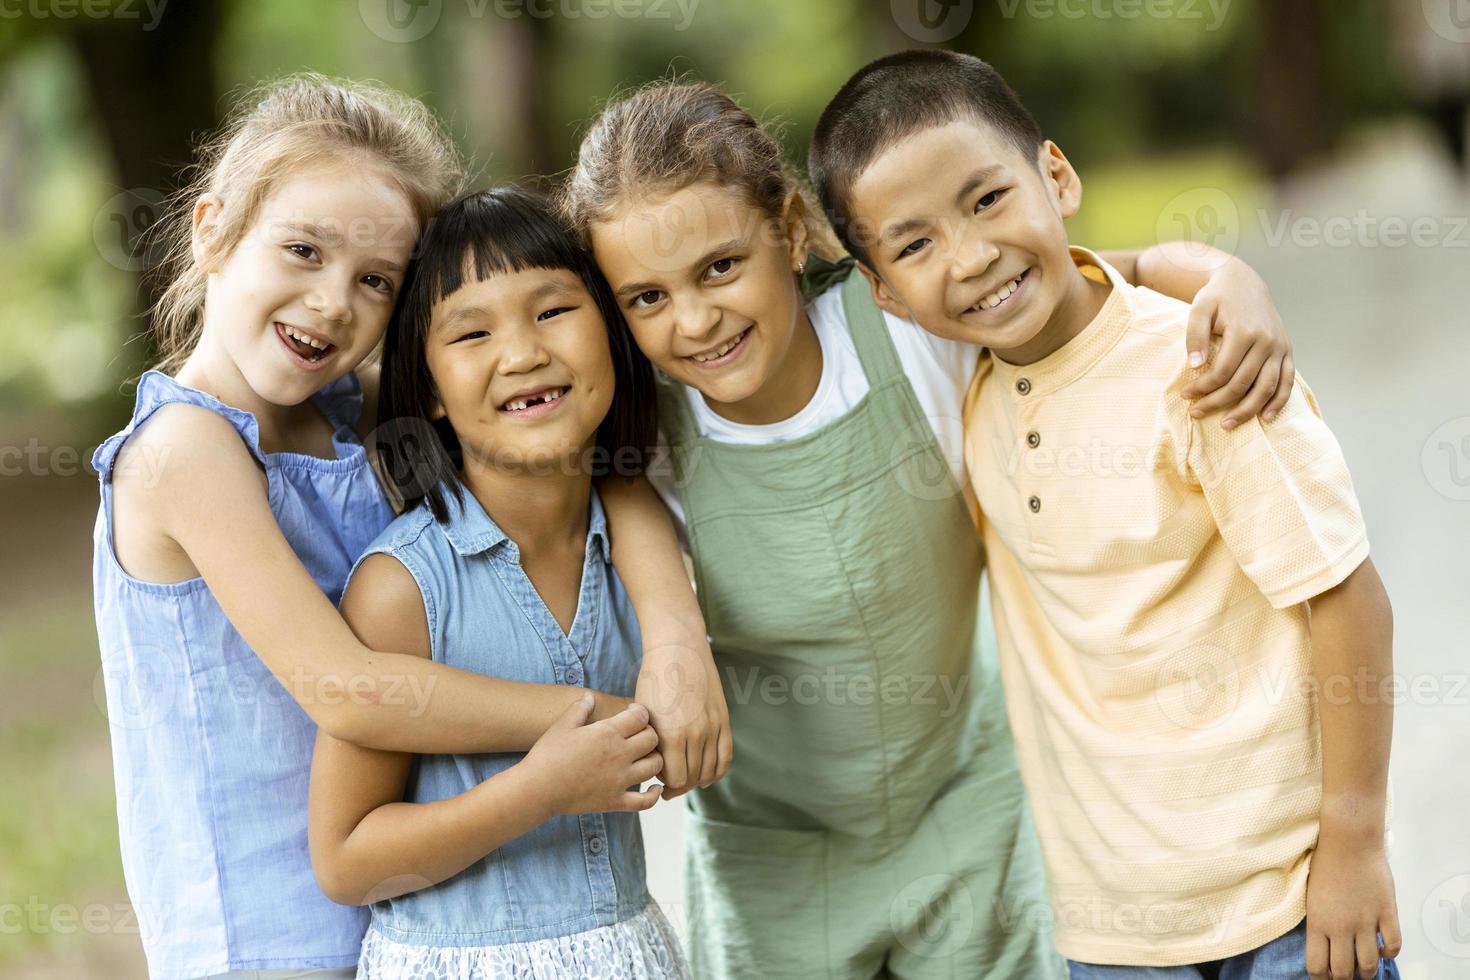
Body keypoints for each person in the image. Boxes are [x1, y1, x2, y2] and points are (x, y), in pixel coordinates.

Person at [562, 79, 1299, 978]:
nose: (695, 319)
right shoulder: (647, 427)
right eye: (645, 298)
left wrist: (1228, 277)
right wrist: (673, 634)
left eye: (721, 266)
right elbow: (603, 484)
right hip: (774, 857)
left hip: (965, 815)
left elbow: (1103, 275)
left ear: (792, 232)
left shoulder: (905, 321)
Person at [91, 76, 721, 980]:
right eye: (302, 250)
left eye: (374, 279)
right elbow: (349, 691)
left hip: (412, 900)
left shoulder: (352, 413)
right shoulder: (184, 449)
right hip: (257, 934)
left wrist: (674, 637)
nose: (331, 301)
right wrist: (606, 724)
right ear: (213, 230)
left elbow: (576, 467)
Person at [810, 48, 1401, 980]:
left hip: (1289, 904)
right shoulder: (965, 381)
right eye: (915, 244)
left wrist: (1355, 843)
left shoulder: (1204, 368)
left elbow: (1348, 600)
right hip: (1113, 934)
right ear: (884, 292)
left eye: (988, 198)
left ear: (1057, 177)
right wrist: (1209, 264)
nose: (970, 256)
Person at [308, 186, 690, 978]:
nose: (522, 354)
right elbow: (346, 861)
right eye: (473, 332)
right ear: (432, 391)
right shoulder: (403, 589)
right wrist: (536, 792)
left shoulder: (639, 547)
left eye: (553, 311)